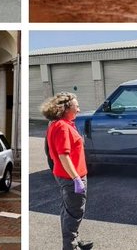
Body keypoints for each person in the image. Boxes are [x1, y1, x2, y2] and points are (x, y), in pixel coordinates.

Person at [42, 91, 92, 250]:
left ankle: (73, 240)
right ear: (66, 109)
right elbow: (64, 155)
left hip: (65, 175)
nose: (78, 110)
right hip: (70, 177)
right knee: (74, 213)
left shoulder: (59, 124)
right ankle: (70, 246)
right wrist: (76, 178)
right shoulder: (62, 127)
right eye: (76, 107)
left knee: (68, 210)